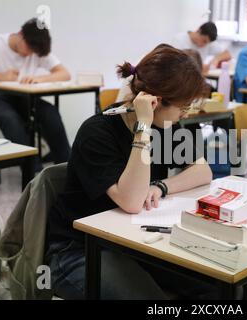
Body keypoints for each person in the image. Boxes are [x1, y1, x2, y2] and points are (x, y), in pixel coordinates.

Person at [46, 45, 218, 300]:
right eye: (184, 106)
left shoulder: (167, 124)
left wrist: (161, 186)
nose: (185, 113)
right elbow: (131, 201)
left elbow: (203, 171)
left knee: (212, 286)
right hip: (79, 250)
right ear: (155, 101)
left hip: (132, 242)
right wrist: (143, 127)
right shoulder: (97, 131)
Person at [0, 18, 71, 167]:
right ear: (20, 34)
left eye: (34, 52)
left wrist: (39, 79)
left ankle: (67, 166)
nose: (30, 54)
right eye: (29, 48)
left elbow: (64, 74)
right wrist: (0, 76)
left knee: (49, 112)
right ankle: (34, 172)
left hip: (20, 98)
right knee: (10, 118)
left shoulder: (36, 49)